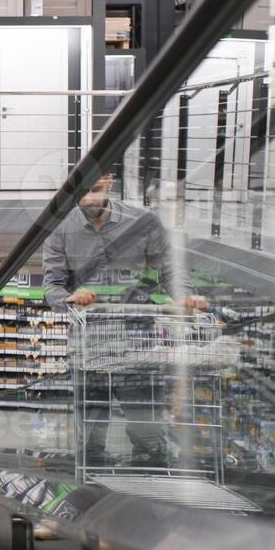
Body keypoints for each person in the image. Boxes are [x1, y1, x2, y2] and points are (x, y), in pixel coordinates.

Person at [42, 171, 205, 470]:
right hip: (88, 344)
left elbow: (170, 269)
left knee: (147, 425)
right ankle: (92, 493)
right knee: (90, 433)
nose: (88, 199)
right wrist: (68, 298)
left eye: (94, 189)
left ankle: (152, 476)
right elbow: (51, 285)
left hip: (137, 342)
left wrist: (185, 296)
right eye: (80, 192)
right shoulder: (59, 229)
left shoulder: (144, 221)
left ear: (109, 181)